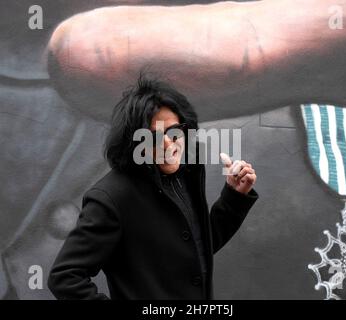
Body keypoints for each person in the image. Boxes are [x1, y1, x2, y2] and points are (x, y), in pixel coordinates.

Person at [47, 74, 258, 300]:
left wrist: (234, 196)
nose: (168, 143)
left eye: (173, 131)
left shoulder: (186, 174)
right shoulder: (111, 198)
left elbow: (194, 247)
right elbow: (65, 277)